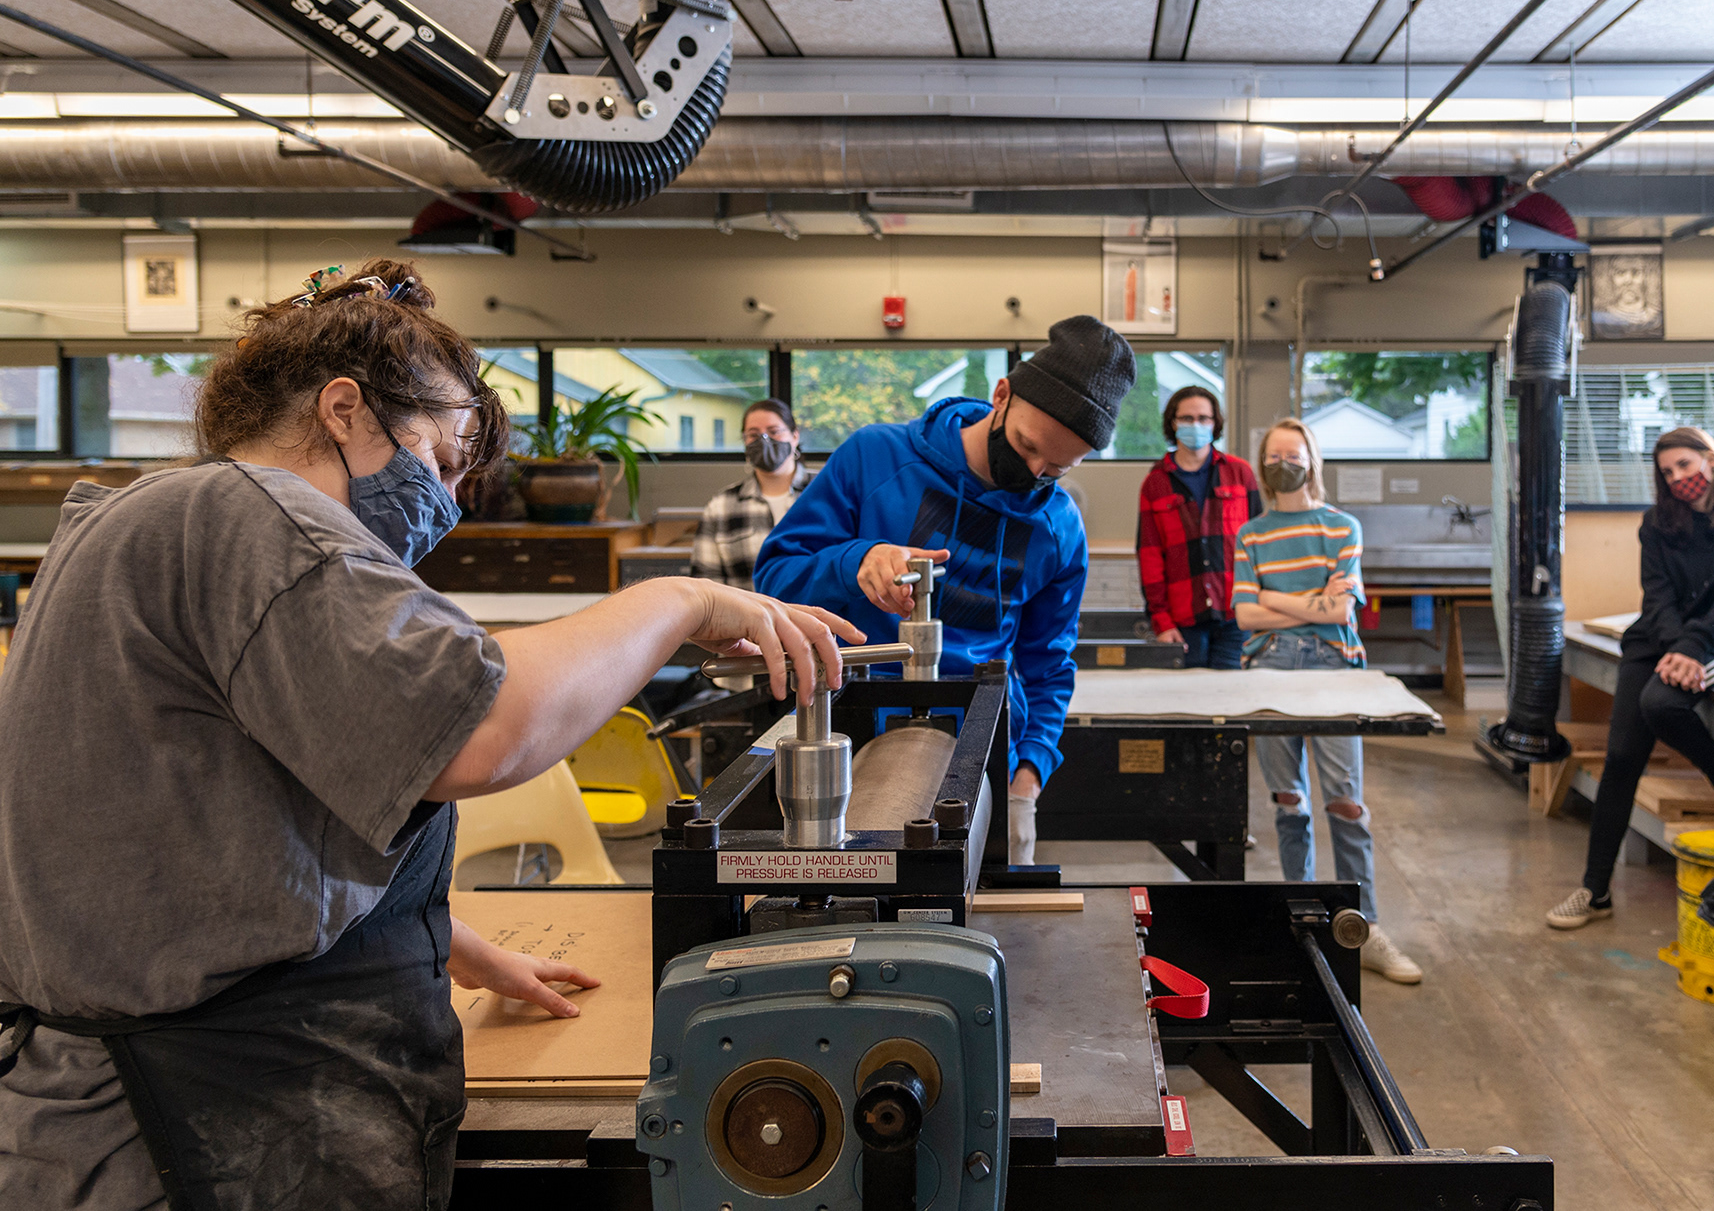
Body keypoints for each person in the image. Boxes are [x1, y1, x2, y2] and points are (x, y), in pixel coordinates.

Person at [0, 260, 856, 1210]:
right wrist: (679, 600)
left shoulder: (136, 521)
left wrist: (450, 940)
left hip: (129, 1103)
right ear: (344, 410)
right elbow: (483, 728)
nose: (447, 498)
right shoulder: (245, 517)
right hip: (190, 1131)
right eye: (442, 457)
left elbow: (196, 830)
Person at [757, 316, 1138, 866]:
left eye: (1056, 467)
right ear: (1001, 395)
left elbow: (1048, 663)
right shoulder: (876, 458)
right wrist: (854, 560)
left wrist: (1029, 773)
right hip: (851, 737)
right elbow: (775, 578)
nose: (1032, 471)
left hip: (988, 753)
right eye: (1027, 445)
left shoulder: (1058, 528)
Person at [1545, 426, 1714, 932]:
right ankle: (1595, 890)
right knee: (1622, 757)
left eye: (1684, 465)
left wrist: (1692, 648)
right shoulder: (1657, 523)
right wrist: (1676, 647)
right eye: (1667, 472)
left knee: (1662, 704)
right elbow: (1657, 595)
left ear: (1711, 460)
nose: (1676, 478)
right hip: (1656, 641)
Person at [1233, 417, 1421, 985]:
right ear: (1262, 464)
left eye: (1293, 454)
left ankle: (1366, 927)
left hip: (1334, 667)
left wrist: (1272, 597)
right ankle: (1304, 926)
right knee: (1289, 803)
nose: (1283, 464)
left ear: (1312, 460)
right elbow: (1243, 616)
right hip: (1269, 668)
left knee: (1345, 803)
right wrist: (1308, 601)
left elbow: (1341, 610)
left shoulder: (1342, 526)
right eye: (1274, 456)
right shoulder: (1251, 534)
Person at [1136, 384, 1262, 669]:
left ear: (1215, 423)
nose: (1196, 425)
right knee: (1187, 696)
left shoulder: (1240, 473)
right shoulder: (1156, 483)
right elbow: (1150, 556)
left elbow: (1261, 545)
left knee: (1234, 693)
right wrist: (1161, 620)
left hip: (1237, 615)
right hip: (1182, 621)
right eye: (1187, 418)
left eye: (1203, 418)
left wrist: (1262, 608)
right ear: (1173, 423)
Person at [691, 398, 812, 589]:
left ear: (795, 436)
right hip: (745, 609)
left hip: (814, 609)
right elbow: (706, 584)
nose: (764, 440)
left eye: (774, 431)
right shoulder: (721, 507)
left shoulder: (826, 492)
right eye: (754, 435)